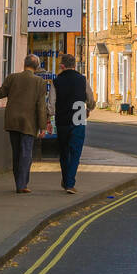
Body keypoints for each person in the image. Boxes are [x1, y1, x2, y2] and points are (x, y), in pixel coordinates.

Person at [0, 55, 49, 193]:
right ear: (37, 67)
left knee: (16, 153)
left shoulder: (12, 77)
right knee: (26, 153)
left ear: (24, 64)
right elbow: (41, 106)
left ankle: (19, 183)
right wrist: (43, 127)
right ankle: (22, 185)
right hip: (29, 123)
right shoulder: (39, 82)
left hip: (12, 121)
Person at [54, 53, 96, 193]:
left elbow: (51, 103)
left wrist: (49, 116)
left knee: (64, 152)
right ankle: (70, 183)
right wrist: (89, 109)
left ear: (62, 66)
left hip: (62, 120)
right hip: (78, 118)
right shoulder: (82, 80)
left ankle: (66, 180)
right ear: (74, 65)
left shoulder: (57, 81)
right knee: (75, 152)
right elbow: (90, 98)